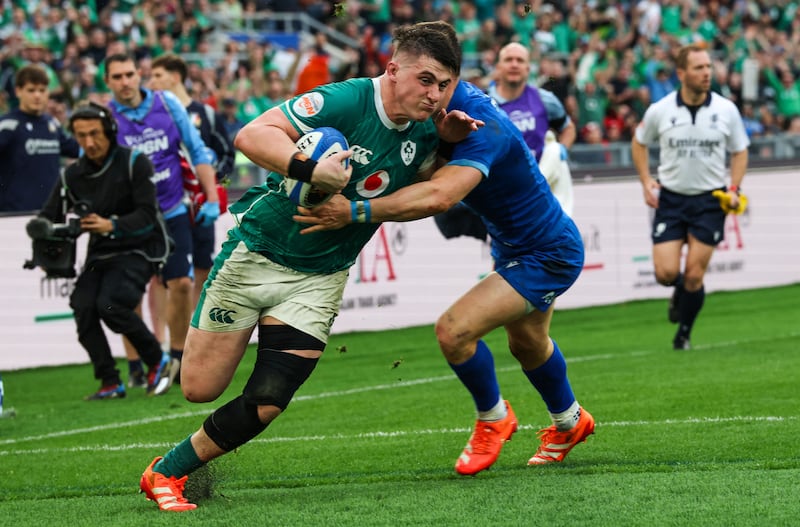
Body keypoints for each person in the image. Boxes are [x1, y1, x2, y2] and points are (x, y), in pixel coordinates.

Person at [137, 21, 471, 512]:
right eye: (426, 80)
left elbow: (417, 185)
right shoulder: (347, 99)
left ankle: (165, 473)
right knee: (199, 388)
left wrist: (444, 145)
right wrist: (310, 169)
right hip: (255, 255)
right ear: (393, 68)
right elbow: (252, 134)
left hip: (320, 277)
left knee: (269, 398)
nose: (435, 94)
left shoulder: (430, 128)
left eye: (444, 84)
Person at [295, 78, 595, 476]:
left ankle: (494, 418)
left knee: (454, 332)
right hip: (517, 246)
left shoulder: (483, 127)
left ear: (450, 80)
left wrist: (352, 212)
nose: (425, 93)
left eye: (434, 82)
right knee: (529, 344)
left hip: (548, 252)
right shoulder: (439, 111)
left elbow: (439, 195)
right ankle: (571, 422)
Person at [33, 102, 171, 400]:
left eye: (94, 134)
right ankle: (110, 381)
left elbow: (148, 215)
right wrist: (45, 243)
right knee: (83, 306)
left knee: (111, 305)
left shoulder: (135, 162)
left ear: (109, 131)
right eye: (81, 136)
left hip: (141, 248)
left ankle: (157, 360)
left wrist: (111, 224)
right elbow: (48, 216)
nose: (88, 143)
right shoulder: (72, 175)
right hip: (101, 252)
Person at [105, 52, 220, 393]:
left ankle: (178, 358)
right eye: (117, 77)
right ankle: (137, 366)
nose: (125, 81)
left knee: (182, 284)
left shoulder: (167, 104)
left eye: (129, 74)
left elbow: (196, 150)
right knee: (130, 295)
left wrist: (212, 198)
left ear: (138, 75)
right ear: (108, 82)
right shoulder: (105, 117)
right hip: (129, 219)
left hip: (171, 212)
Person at [631, 43, 749, 350]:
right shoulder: (661, 109)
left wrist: (734, 189)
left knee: (695, 275)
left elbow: (740, 151)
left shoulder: (726, 110)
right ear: (681, 73)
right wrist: (646, 181)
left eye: (708, 66)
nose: (707, 72)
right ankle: (678, 290)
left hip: (710, 201)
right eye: (699, 67)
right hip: (671, 199)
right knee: (666, 274)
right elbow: (639, 141)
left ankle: (683, 332)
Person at [143, 53, 236, 395]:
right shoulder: (157, 112)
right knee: (165, 278)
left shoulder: (205, 113)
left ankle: (195, 344)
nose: (151, 81)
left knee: (200, 272)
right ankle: (167, 345)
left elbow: (227, 152)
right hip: (169, 207)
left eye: (157, 73)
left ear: (176, 76)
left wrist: (215, 182)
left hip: (199, 207)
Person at [487, 42, 575, 216]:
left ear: (528, 68)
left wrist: (561, 149)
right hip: (501, 191)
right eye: (508, 60)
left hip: (540, 186)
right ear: (498, 67)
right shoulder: (483, 103)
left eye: (520, 60)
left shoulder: (545, 99)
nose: (514, 64)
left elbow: (568, 127)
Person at [0, 64, 79, 212]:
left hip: (50, 213)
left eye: (42, 90)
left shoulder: (52, 124)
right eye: (31, 90)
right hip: (13, 215)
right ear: (18, 91)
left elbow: (79, 150)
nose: (37, 95)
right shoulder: (8, 125)